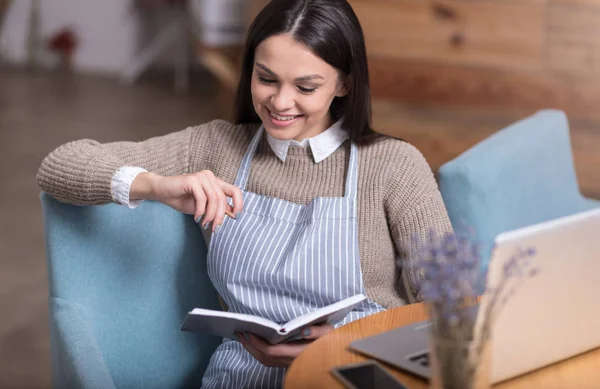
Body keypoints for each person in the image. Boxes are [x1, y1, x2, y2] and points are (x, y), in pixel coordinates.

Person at [37, 0, 452, 387]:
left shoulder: (393, 165)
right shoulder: (216, 146)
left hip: (357, 371)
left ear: (344, 83)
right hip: (240, 377)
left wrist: (341, 341)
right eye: (266, 78)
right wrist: (156, 185)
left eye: (305, 87)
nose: (280, 102)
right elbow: (59, 165)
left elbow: (455, 308)